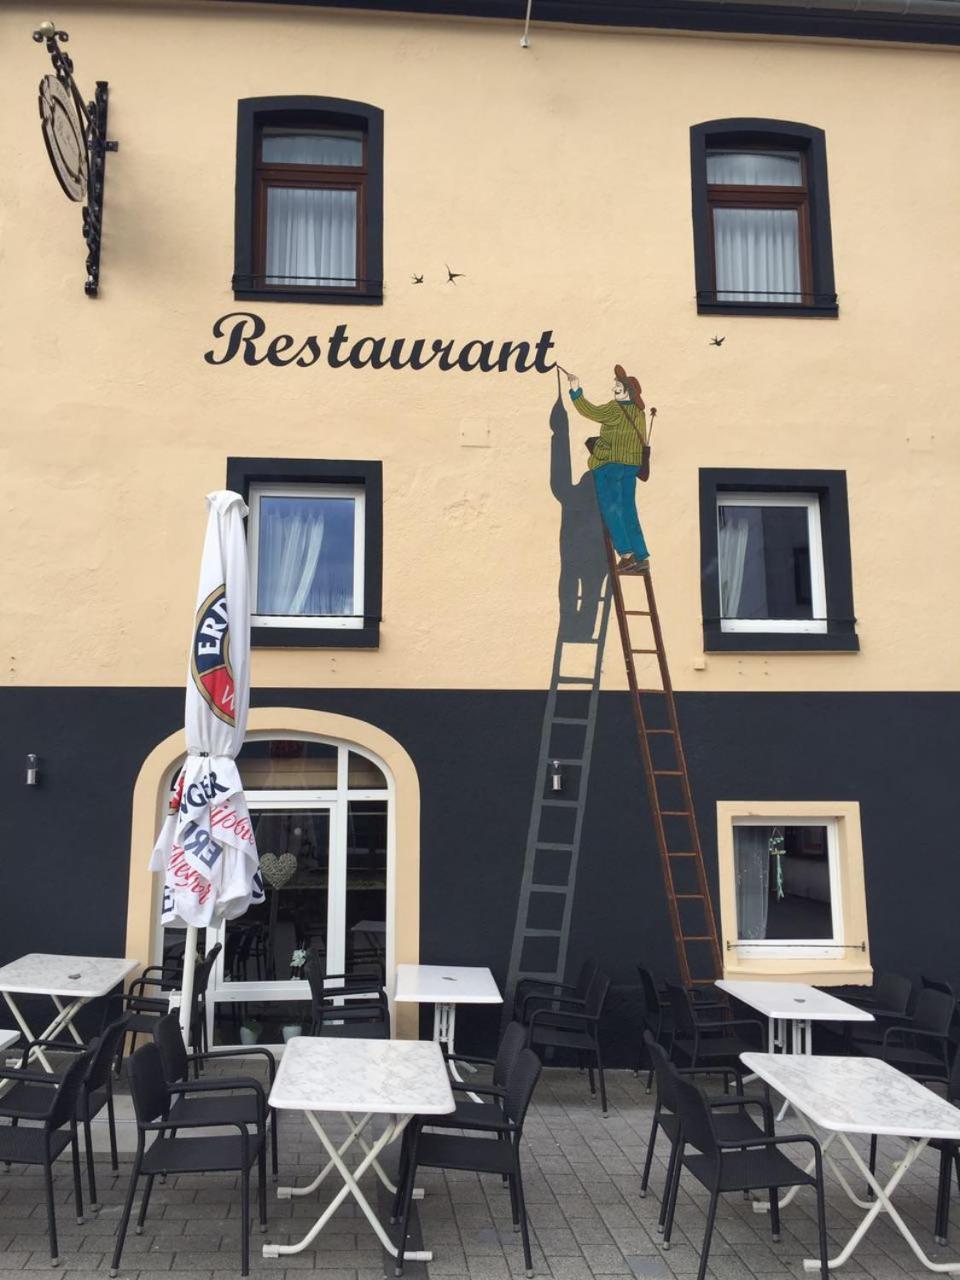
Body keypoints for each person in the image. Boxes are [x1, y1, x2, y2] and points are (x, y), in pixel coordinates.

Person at [565, 364, 650, 573]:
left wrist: (576, 390)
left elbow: (591, 411)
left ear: (628, 392)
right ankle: (641, 555)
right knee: (628, 510)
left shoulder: (615, 409)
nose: (614, 390)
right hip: (631, 466)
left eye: (618, 387)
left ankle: (626, 554)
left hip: (610, 465)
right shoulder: (639, 413)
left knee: (611, 508)